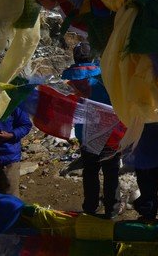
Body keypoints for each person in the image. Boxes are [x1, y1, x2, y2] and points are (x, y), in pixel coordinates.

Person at [62, 41, 122, 218]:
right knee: (111, 171)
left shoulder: (70, 79)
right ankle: (112, 208)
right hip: (110, 131)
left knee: (90, 171)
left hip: (86, 133)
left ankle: (90, 207)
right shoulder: (104, 76)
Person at [0, 106, 32, 197]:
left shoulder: (13, 101)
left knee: (11, 198)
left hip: (8, 159)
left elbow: (26, 125)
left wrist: (11, 135)